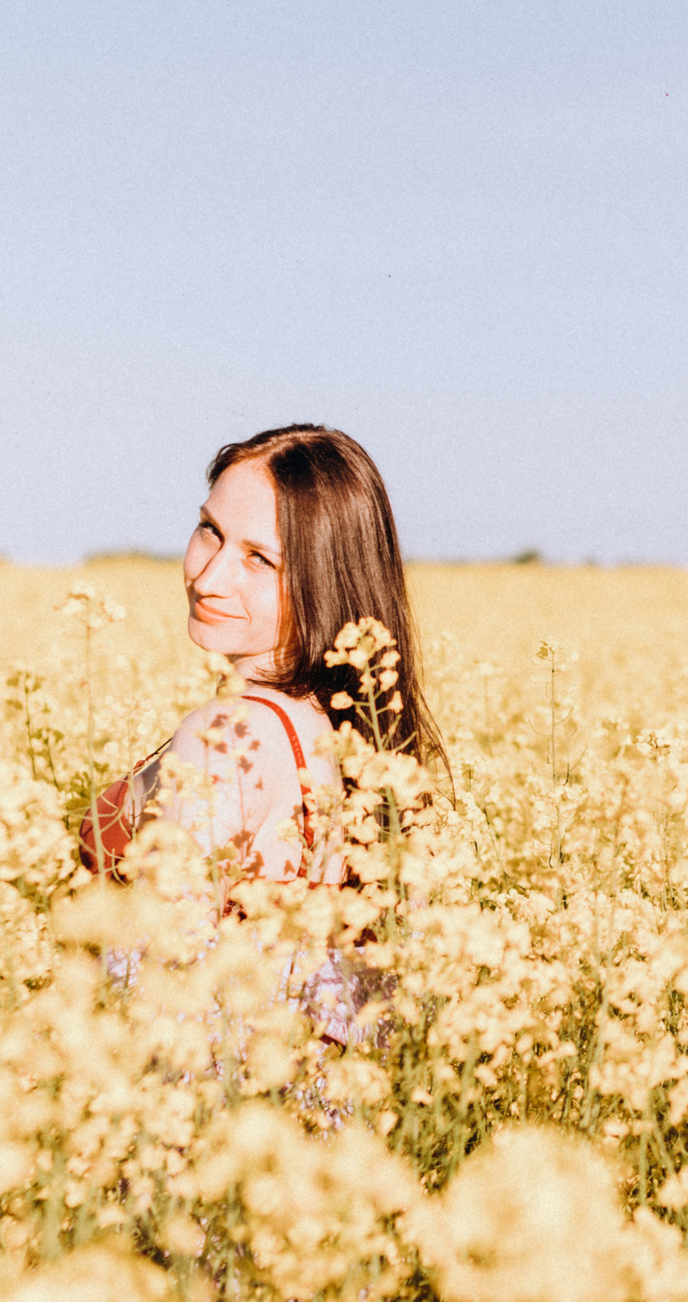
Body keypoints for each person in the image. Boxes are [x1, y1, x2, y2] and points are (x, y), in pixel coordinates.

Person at [89, 421, 446, 1045]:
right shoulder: (356, 744)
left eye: (260, 559)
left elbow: (157, 985)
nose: (209, 577)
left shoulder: (226, 734)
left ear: (323, 578)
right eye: (210, 531)